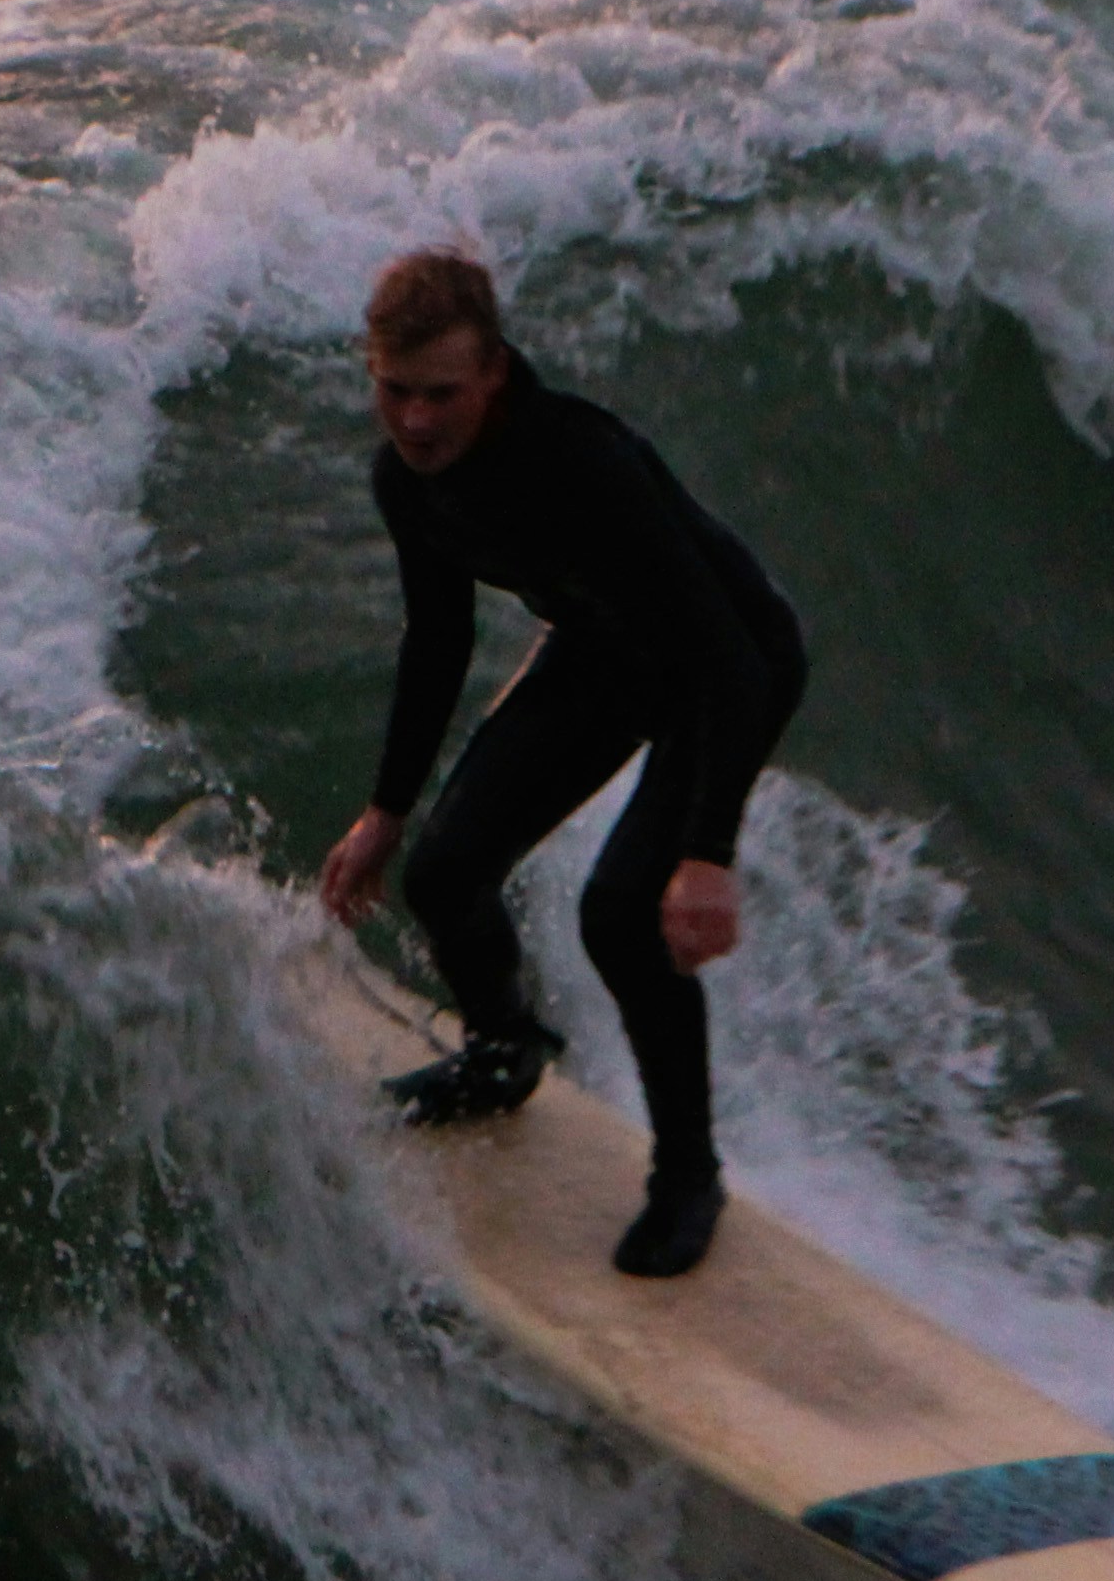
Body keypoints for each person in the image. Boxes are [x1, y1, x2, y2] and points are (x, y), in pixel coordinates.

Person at [313, 247, 809, 1279]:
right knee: (444, 873)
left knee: (620, 916)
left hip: (729, 666)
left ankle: (688, 1176)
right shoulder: (409, 480)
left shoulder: (581, 460)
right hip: (604, 653)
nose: (413, 421)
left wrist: (707, 854)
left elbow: (728, 657)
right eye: (392, 390)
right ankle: (504, 1054)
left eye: (440, 393)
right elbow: (438, 639)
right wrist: (386, 813)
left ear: (493, 372)